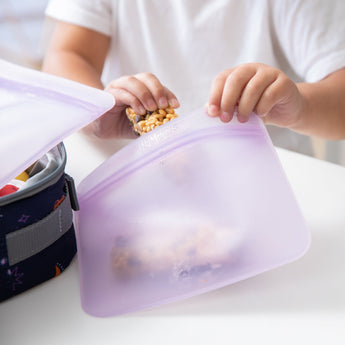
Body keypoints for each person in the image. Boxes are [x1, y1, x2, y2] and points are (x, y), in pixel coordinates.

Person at [42, 0, 345, 149]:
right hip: (127, 170)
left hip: (259, 181)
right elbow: (67, 55)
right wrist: (97, 111)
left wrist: (300, 106)